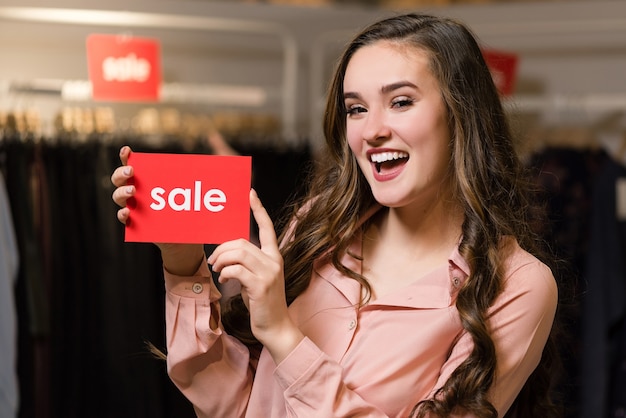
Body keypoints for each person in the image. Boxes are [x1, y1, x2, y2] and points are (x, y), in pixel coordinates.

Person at [111, 12, 560, 418]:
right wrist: (183, 261)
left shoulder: (517, 285)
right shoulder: (317, 229)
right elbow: (229, 405)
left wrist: (285, 338)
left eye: (401, 102)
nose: (373, 129)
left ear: (462, 115)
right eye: (356, 109)